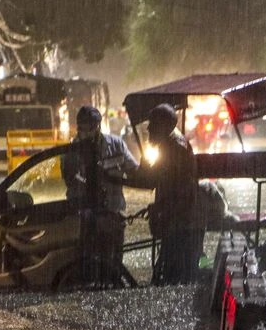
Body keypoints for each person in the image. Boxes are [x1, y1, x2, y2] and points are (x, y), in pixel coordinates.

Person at [62, 106, 138, 264]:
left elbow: (134, 172)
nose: (86, 133)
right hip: (83, 217)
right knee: (86, 263)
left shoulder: (116, 145)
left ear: (98, 126)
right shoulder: (70, 151)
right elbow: (69, 180)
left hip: (112, 213)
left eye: (90, 128)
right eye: (82, 128)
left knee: (113, 262)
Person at [134, 103, 200, 284]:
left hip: (180, 220)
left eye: (152, 124)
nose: (148, 128)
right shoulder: (169, 145)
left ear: (164, 126)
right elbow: (152, 178)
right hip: (173, 214)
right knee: (166, 271)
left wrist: (160, 207)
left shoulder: (174, 148)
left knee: (171, 275)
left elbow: (157, 181)